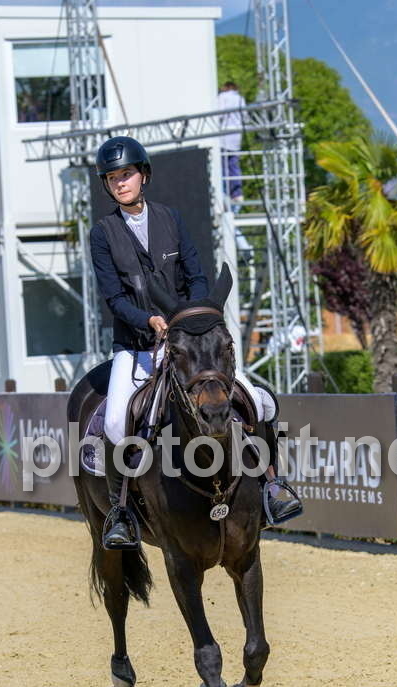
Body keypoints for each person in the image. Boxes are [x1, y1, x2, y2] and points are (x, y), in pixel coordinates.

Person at [90, 136, 301, 550]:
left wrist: (195, 320)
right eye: (112, 178)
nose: (120, 183)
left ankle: (273, 486)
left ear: (143, 175)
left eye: (126, 174)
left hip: (190, 344)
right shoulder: (103, 233)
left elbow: (197, 277)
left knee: (260, 402)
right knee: (115, 421)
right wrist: (149, 320)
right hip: (137, 346)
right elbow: (113, 297)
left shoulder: (171, 218)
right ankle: (120, 512)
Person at [217, 81, 246, 213]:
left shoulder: (222, 98)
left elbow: (219, 115)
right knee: (234, 167)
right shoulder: (240, 99)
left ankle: (225, 193)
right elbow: (245, 117)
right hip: (236, 137)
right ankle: (237, 193)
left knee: (223, 167)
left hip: (224, 137)